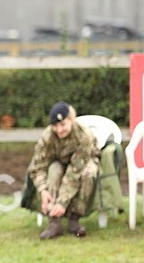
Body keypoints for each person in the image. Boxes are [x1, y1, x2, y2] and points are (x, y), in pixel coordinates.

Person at [27, 102, 99, 239]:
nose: (59, 130)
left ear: (71, 120)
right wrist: (43, 191)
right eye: (55, 126)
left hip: (84, 162)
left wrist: (62, 202)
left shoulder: (84, 136)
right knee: (54, 170)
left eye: (63, 124)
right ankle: (54, 222)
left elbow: (75, 171)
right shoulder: (47, 137)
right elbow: (37, 167)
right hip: (59, 161)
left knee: (88, 174)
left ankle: (74, 219)